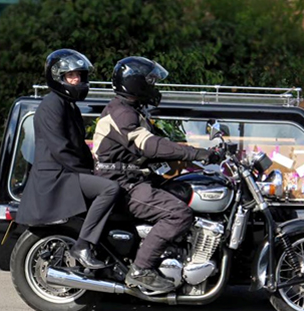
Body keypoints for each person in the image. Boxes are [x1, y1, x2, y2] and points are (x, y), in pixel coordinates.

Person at [92, 56, 219, 291]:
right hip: (121, 184)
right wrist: (196, 153)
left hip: (133, 177)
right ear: (135, 83)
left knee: (180, 191)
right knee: (178, 214)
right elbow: (150, 145)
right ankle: (141, 269)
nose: (154, 87)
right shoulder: (123, 114)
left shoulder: (129, 109)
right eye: (150, 81)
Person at [16, 49, 120, 269]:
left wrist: (97, 167)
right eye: (71, 76)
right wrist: (87, 173)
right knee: (109, 189)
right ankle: (83, 245)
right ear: (58, 78)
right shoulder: (52, 105)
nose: (77, 80)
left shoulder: (68, 105)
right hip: (57, 177)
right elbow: (60, 149)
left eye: (79, 76)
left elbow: (78, 145)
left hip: (66, 172)